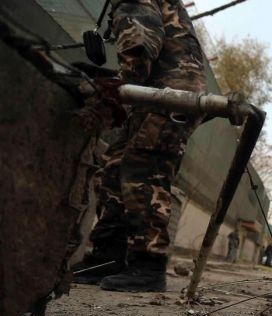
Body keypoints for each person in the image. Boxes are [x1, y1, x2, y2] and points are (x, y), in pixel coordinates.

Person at [72, 0, 206, 292]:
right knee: (114, 168)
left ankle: (148, 263)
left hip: (170, 93)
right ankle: (107, 257)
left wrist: (119, 83)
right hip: (155, 93)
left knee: (143, 168)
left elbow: (141, 42)